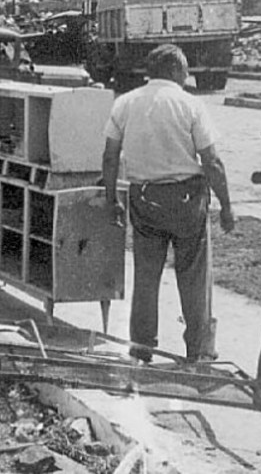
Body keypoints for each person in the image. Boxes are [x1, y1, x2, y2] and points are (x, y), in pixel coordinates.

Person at [100, 44, 234, 362]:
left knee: (146, 277)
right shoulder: (190, 105)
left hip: (144, 198)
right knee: (193, 277)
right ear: (175, 70)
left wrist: (110, 199)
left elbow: (109, 155)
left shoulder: (125, 103)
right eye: (185, 71)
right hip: (187, 199)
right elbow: (211, 161)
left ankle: (143, 346)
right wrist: (227, 206)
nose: (187, 77)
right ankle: (198, 351)